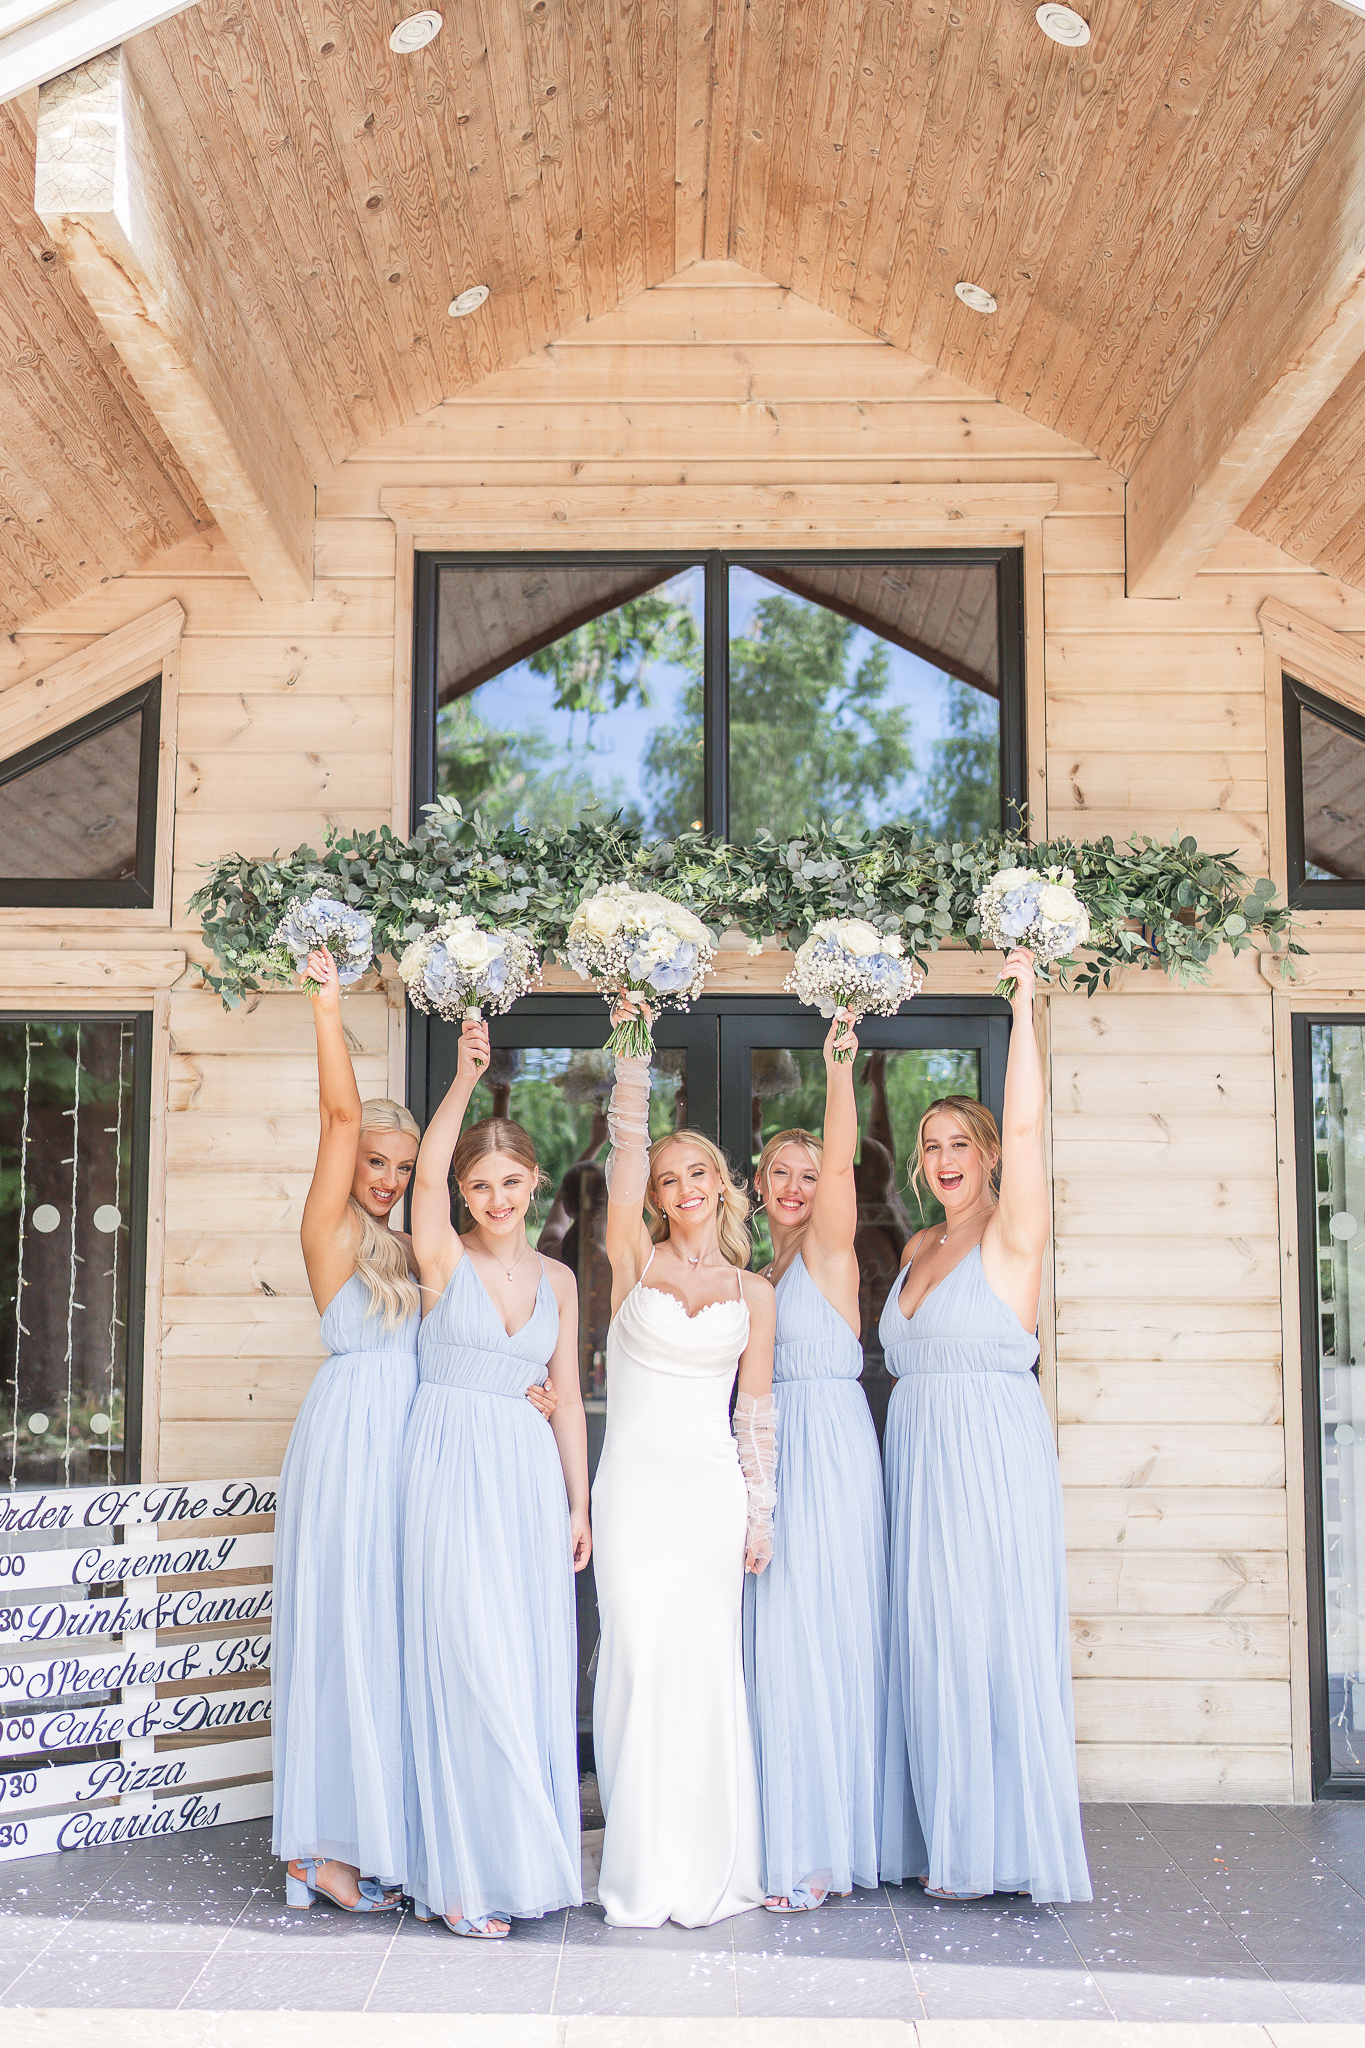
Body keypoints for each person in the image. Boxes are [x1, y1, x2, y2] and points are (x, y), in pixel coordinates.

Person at [879, 947, 1091, 1904]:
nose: (943, 1161)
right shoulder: (919, 1243)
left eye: (958, 1144)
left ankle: (992, 1842)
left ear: (990, 1154)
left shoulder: (1015, 1232)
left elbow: (1035, 1123)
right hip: (916, 1458)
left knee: (982, 1632)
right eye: (929, 1148)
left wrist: (1023, 1006)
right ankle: (944, 1828)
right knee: (928, 1638)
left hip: (987, 1457)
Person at [402, 1016, 590, 1937]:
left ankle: (523, 1860)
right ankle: (464, 1877)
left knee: (521, 1662)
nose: (494, 1197)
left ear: (535, 1184)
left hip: (524, 1476)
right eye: (479, 1185)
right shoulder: (441, 1260)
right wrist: (466, 1079)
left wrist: (577, 1502)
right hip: (447, 1464)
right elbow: (424, 1176)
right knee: (464, 1656)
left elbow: (571, 1397)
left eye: (510, 1181)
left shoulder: (558, 1280)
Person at [591, 1001, 777, 1927]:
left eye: (697, 1171)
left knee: (703, 1667)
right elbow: (623, 1158)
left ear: (719, 1183)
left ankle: (710, 1863)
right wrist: (632, 1047)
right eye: (669, 1178)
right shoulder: (632, 1259)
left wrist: (760, 1511)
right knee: (633, 1656)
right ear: (657, 1196)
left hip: (709, 1496)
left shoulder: (754, 1293)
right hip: (630, 1491)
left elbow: (756, 1411)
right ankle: (638, 1866)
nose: (682, 1186)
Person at [273, 946, 419, 1914]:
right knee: (341, 1628)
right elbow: (337, 1114)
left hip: (409, 1441)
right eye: (376, 1161)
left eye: (402, 1168)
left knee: (385, 1633)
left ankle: (367, 1826)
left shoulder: (409, 1243)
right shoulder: (329, 1231)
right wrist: (329, 1005)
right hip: (351, 1437)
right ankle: (317, 1842)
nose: (386, 1179)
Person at [745, 1010, 889, 1911]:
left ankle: (820, 1852)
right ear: (755, 1185)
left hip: (829, 1450)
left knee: (818, 1639)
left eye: (808, 1174)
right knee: (775, 1646)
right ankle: (782, 1831)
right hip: (766, 1455)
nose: (798, 1186)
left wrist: (839, 1070)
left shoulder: (832, 1255)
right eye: (781, 1173)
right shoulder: (751, 1262)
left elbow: (841, 1164)